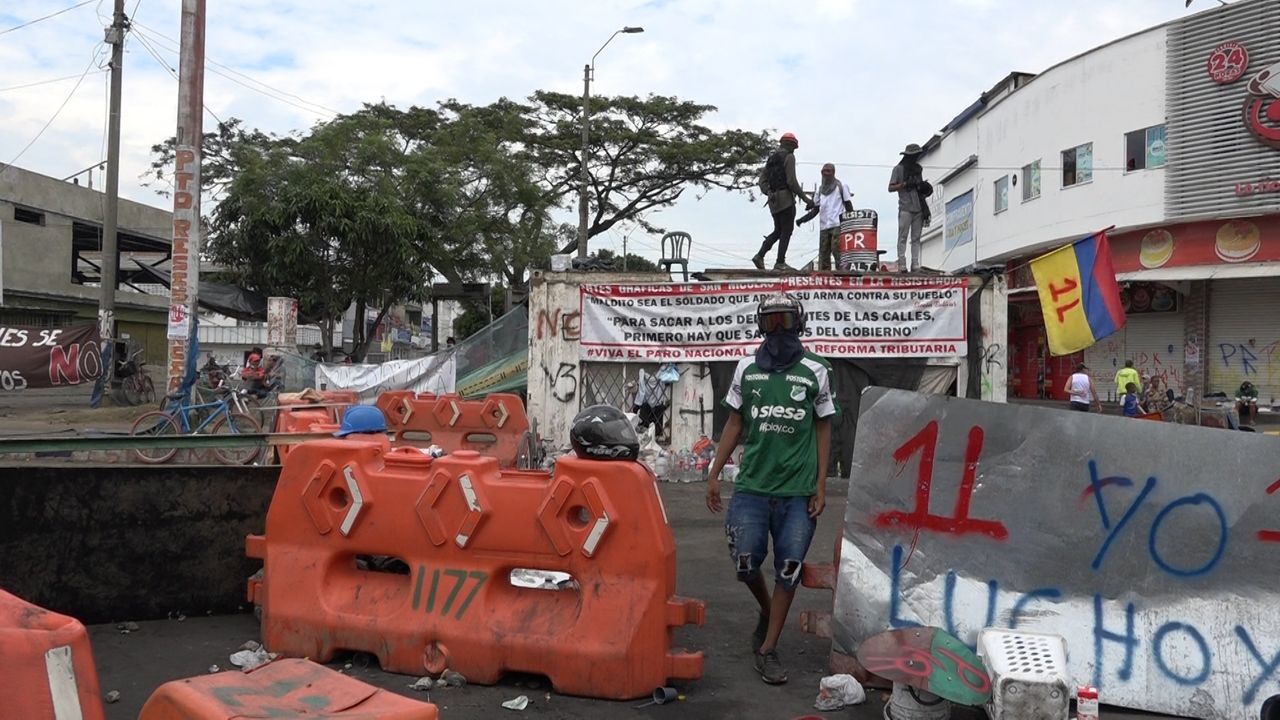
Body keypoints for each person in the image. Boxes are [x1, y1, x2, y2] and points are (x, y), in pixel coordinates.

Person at [705, 292, 835, 685]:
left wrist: (821, 484)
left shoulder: (817, 369)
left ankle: (769, 648)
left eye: (785, 320)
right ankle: (767, 610)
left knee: (789, 568)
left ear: (798, 322)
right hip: (752, 488)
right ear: (761, 324)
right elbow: (734, 423)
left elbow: (824, 425)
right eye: (771, 321)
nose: (778, 328)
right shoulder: (747, 368)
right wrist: (714, 472)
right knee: (746, 563)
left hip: (797, 492)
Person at [753, 133, 815, 272]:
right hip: (786, 199)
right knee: (786, 230)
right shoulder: (789, 157)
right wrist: (806, 199)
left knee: (778, 230)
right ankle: (780, 262)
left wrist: (768, 192)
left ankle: (760, 255)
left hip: (773, 201)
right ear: (791, 145)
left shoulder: (771, 159)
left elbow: (761, 181)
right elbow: (791, 182)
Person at [797, 163, 853, 271]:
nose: (825, 174)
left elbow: (849, 206)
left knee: (837, 251)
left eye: (828, 171)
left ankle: (842, 275)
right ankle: (825, 279)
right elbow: (815, 210)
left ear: (833, 173)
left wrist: (851, 224)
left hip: (838, 224)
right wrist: (802, 220)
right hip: (824, 227)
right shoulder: (820, 190)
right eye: (823, 171)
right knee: (823, 254)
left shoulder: (841, 187)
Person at [887, 143, 930, 272]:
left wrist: (922, 186)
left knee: (916, 238)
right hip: (905, 207)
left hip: (918, 207)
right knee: (903, 236)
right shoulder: (898, 169)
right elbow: (890, 187)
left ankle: (915, 263)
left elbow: (920, 188)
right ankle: (902, 264)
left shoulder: (918, 169)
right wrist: (905, 184)